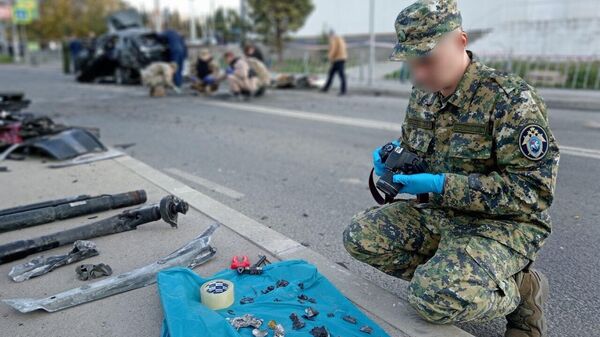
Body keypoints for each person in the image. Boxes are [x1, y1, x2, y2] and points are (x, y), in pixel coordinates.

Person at [342, 1, 559, 337]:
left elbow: (532, 193)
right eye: (411, 63)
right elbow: (416, 147)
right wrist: (394, 163)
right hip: (441, 211)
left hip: (502, 225)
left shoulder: (510, 99)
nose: (419, 74)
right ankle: (455, 274)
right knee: (360, 236)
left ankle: (521, 292)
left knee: (432, 298)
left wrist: (442, 185)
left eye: (427, 60)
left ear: (460, 40)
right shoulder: (424, 93)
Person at [320, 30, 347, 95]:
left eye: (328, 36)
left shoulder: (334, 39)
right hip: (342, 58)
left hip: (338, 59)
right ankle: (326, 88)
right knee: (331, 74)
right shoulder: (340, 38)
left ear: (330, 35)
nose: (328, 38)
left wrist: (329, 57)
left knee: (341, 75)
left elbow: (333, 49)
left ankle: (343, 90)